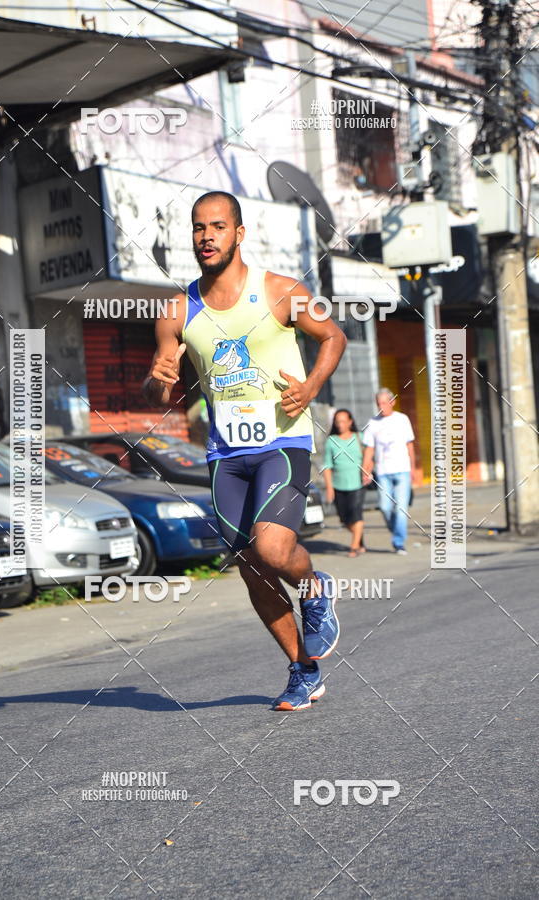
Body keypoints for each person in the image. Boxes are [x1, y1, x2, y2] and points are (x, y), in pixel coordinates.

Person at [143, 190, 346, 711]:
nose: (205, 236)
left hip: (283, 440)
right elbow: (157, 385)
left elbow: (334, 338)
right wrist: (156, 380)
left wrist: (311, 386)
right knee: (251, 567)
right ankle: (304, 671)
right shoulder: (176, 310)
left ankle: (314, 586)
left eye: (216, 226)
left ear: (238, 233)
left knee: (273, 550)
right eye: (197, 228)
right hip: (225, 454)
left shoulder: (279, 291)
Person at [362, 388, 416, 555]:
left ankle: (398, 542)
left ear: (392, 402)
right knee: (385, 507)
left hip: (402, 470)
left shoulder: (402, 419)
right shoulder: (372, 423)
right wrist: (365, 470)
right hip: (383, 472)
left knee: (401, 509)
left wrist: (413, 468)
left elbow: (410, 446)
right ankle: (396, 530)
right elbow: (369, 450)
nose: (381, 406)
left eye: (384, 403)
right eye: (378, 403)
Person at [322, 409, 365, 558]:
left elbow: (369, 457)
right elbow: (327, 466)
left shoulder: (359, 438)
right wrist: (329, 488)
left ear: (350, 422)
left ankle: (354, 546)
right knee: (344, 519)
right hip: (339, 485)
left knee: (356, 513)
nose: (340, 424)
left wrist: (368, 470)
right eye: (337, 421)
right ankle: (359, 539)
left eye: (343, 421)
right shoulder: (331, 441)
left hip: (357, 483)